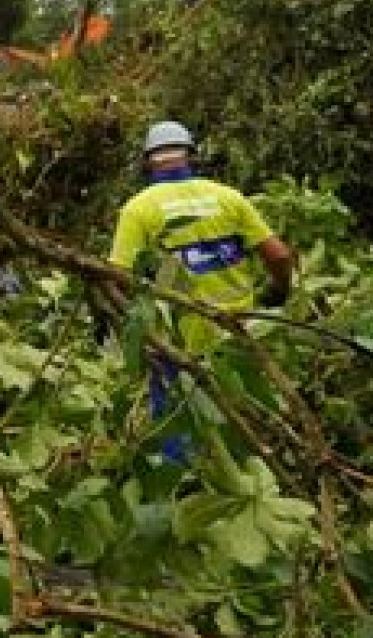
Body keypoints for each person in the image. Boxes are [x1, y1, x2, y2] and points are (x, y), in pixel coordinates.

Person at [108, 121, 296, 453]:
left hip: (177, 342)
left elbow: (117, 279)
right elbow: (279, 255)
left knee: (180, 429)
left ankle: (184, 486)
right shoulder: (228, 197)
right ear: (192, 156)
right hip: (240, 331)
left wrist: (136, 337)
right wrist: (279, 291)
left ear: (147, 161)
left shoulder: (138, 210)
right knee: (244, 422)